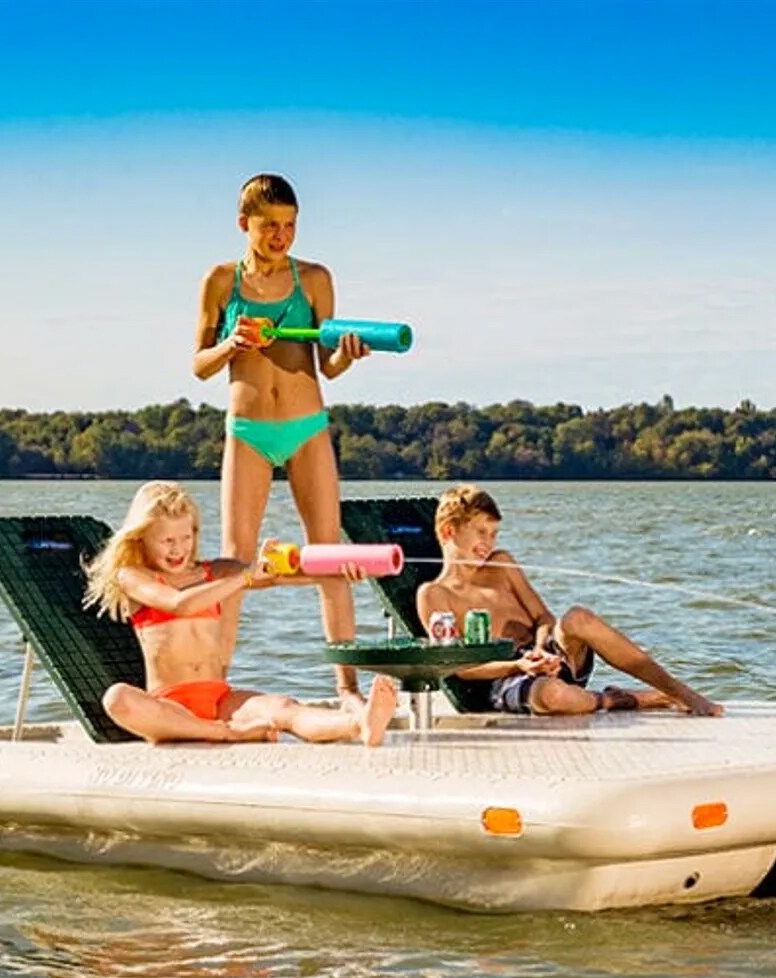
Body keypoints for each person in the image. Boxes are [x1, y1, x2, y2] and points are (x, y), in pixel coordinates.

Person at [192, 173, 374, 714]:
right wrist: (232, 342)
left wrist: (347, 352)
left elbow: (330, 367)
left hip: (307, 427)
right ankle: (213, 686)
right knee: (233, 565)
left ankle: (347, 691)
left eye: (290, 225)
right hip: (247, 432)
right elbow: (199, 366)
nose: (281, 236)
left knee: (331, 557)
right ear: (243, 223)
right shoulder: (220, 282)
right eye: (270, 225)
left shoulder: (314, 278)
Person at [84, 481, 398, 746]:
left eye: (186, 537)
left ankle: (359, 726)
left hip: (220, 698)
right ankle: (224, 734)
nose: (178, 549)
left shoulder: (213, 572)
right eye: (167, 541)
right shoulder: (133, 576)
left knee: (284, 707)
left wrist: (339, 573)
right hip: (170, 706)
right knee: (117, 699)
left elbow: (274, 576)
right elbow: (180, 603)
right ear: (142, 538)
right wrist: (245, 577)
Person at [416, 485, 723, 717]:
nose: (489, 543)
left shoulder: (502, 565)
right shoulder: (434, 595)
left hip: (550, 656)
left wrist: (540, 646)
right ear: (448, 531)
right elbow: (461, 669)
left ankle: (677, 690)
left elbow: (544, 618)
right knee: (554, 695)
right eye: (481, 532)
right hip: (508, 678)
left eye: (494, 534)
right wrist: (520, 665)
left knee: (577, 617)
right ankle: (628, 699)